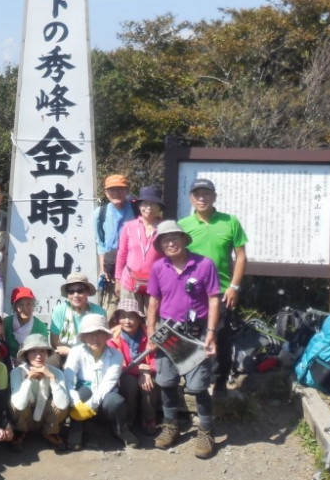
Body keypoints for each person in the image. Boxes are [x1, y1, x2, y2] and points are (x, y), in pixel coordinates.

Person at [146, 220, 221, 458]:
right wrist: (150, 333)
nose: (171, 243)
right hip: (167, 332)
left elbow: (213, 299)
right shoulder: (159, 268)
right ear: (161, 244)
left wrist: (211, 333)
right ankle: (171, 426)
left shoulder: (204, 265)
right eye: (165, 240)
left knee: (198, 386)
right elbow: (153, 302)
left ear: (183, 239)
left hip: (197, 332)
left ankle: (206, 431)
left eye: (174, 237)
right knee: (166, 382)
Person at [178, 178, 248, 395]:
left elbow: (241, 255)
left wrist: (234, 287)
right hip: (191, 292)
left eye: (206, 194)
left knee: (221, 337)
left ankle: (219, 383)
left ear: (214, 197)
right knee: (189, 335)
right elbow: (177, 258)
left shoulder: (230, 222)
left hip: (221, 291)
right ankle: (192, 380)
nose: (202, 198)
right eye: (197, 194)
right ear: (191, 198)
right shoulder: (183, 225)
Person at [63, 313, 134, 450]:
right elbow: (68, 379)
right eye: (90, 334)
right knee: (82, 393)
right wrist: (77, 404)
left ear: (107, 336)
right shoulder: (76, 352)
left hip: (105, 394)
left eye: (100, 333)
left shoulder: (116, 356)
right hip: (84, 392)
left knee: (116, 402)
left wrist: (90, 406)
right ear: (83, 337)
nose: (95, 338)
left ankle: (121, 429)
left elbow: (108, 383)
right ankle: (76, 428)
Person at [107, 297, 159, 436]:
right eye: (123, 317)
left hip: (147, 372)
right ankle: (129, 418)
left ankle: (149, 418)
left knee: (149, 386)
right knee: (129, 384)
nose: (127, 321)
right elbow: (118, 365)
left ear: (139, 318)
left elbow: (155, 358)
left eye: (131, 317)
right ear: (118, 318)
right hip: (125, 373)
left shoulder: (149, 333)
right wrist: (140, 370)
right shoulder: (113, 336)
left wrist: (148, 371)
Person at [9, 333, 70, 451]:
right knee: (14, 404)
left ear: (47, 354)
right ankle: (20, 432)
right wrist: (28, 380)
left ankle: (50, 431)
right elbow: (19, 405)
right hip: (25, 415)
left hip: (44, 414)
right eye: (33, 352)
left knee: (60, 401)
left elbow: (62, 404)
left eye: (42, 351)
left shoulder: (56, 373)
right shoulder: (17, 372)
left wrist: (52, 378)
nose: (39, 356)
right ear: (26, 355)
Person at [114, 185, 165, 309]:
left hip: (156, 284)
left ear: (159, 207)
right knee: (130, 321)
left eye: (153, 204)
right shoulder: (129, 226)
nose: (148, 208)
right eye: (145, 203)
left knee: (154, 323)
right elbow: (122, 253)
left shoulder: (165, 228)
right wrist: (118, 280)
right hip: (129, 282)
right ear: (139, 205)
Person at [95, 174, 134, 313]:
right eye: (112, 190)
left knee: (131, 310)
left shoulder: (136, 210)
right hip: (111, 265)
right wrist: (102, 269)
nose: (116, 193)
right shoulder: (100, 213)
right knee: (109, 312)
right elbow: (100, 242)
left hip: (132, 267)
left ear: (127, 191)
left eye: (120, 189)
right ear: (105, 192)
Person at [48, 273, 106, 366]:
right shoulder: (59, 310)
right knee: (50, 360)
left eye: (80, 291)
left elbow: (102, 342)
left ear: (87, 292)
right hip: (64, 354)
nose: (75, 295)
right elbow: (55, 342)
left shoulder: (98, 312)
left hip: (92, 354)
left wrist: (73, 352)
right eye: (71, 291)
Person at [3, 287, 49, 364]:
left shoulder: (41, 327)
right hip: (8, 363)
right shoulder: (6, 323)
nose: (25, 308)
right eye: (21, 304)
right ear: (14, 307)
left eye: (29, 304)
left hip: (33, 364)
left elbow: (43, 353)